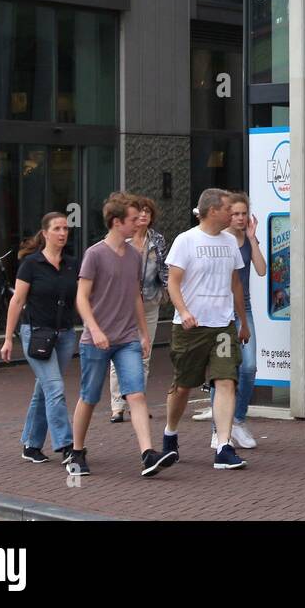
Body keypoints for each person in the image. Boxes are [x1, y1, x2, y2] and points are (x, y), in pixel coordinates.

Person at [66, 196, 175, 478]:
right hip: (97, 340)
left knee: (136, 394)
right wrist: (95, 329)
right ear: (117, 222)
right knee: (89, 397)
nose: (138, 222)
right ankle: (77, 451)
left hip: (126, 338)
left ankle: (148, 453)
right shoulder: (95, 254)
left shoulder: (134, 256)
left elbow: (136, 296)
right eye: (132, 219)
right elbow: (81, 298)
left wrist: (142, 333)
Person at [160, 188, 251, 470]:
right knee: (184, 386)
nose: (233, 214)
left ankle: (223, 446)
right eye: (228, 209)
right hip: (191, 327)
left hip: (222, 326)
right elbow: (173, 282)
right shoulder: (185, 241)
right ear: (213, 211)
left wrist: (242, 321)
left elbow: (235, 283)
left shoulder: (229, 242)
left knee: (226, 380)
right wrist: (184, 312)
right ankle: (170, 433)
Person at [1, 212, 80, 465]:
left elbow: (80, 300)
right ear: (45, 233)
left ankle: (31, 445)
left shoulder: (72, 265)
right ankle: (67, 445)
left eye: (65, 228)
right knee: (55, 388)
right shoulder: (31, 265)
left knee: (44, 390)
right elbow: (17, 300)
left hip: (66, 335)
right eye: (57, 228)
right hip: (36, 335)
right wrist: (7, 339)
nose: (62, 233)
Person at [193, 193, 265, 451]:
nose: (240, 218)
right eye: (234, 213)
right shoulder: (218, 240)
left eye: (244, 213)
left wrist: (254, 238)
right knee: (222, 371)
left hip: (242, 309)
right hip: (219, 310)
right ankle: (217, 429)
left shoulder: (246, 240)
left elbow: (261, 269)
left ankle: (237, 420)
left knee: (249, 367)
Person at [109, 196, 169, 424]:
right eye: (140, 212)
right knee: (118, 354)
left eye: (148, 212)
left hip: (150, 303)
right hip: (122, 304)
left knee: (144, 354)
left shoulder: (157, 240)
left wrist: (167, 291)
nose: (143, 216)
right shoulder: (122, 240)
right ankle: (118, 406)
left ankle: (138, 403)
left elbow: (164, 269)